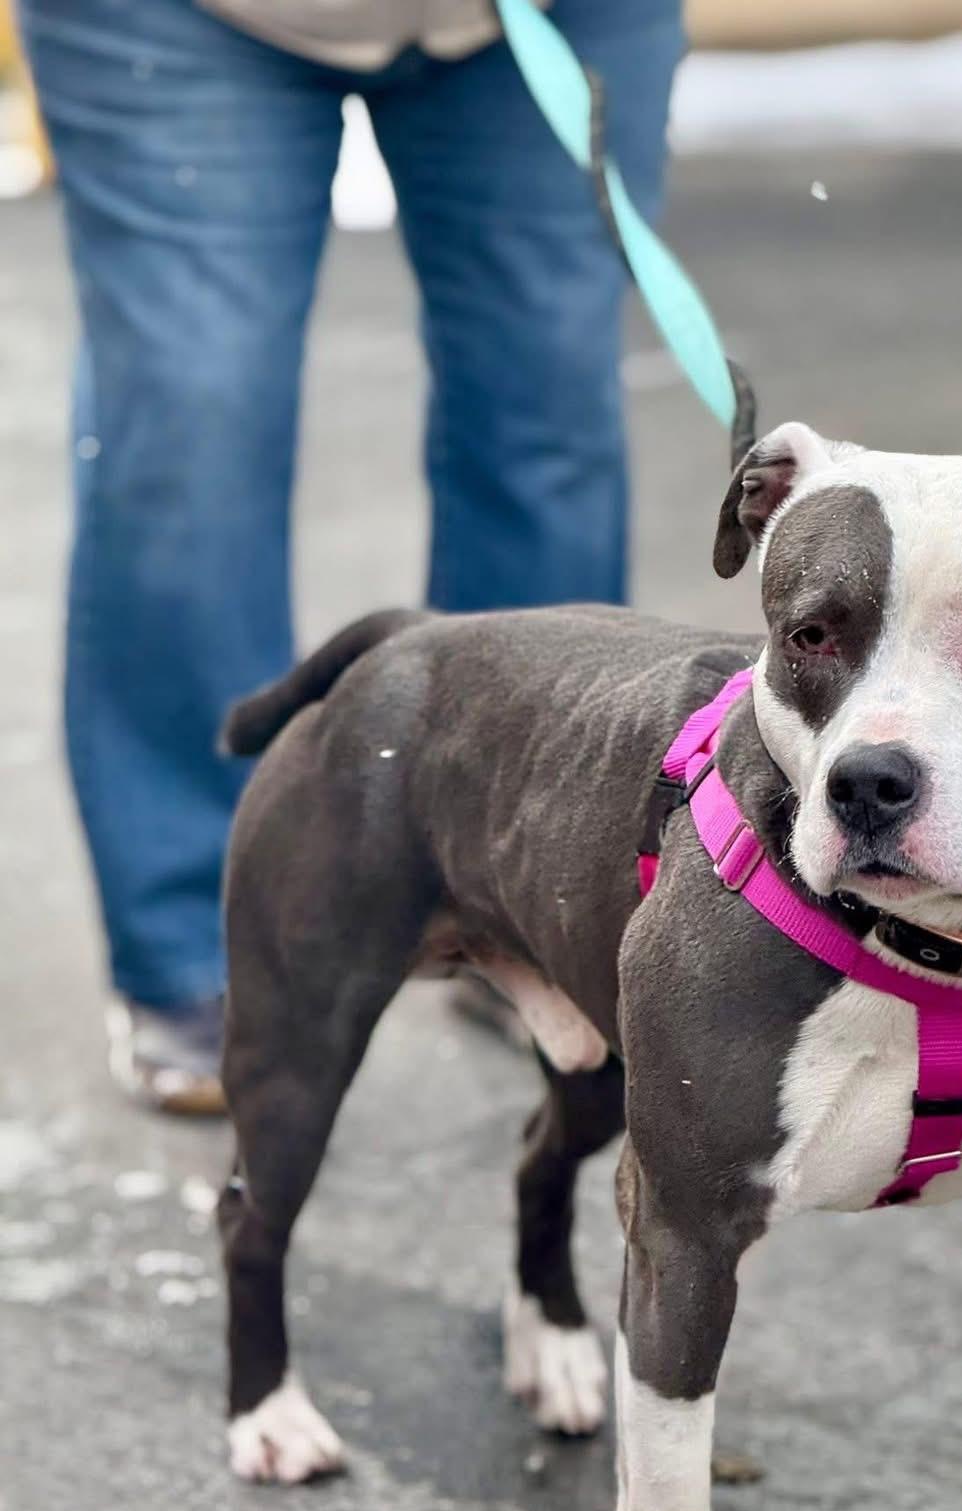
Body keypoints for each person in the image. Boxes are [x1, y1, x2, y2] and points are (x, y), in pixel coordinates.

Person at [20, 0, 683, 1111]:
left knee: (545, 414)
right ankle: (207, 936)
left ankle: (525, 902)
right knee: (191, 426)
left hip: (548, 21)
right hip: (181, 19)